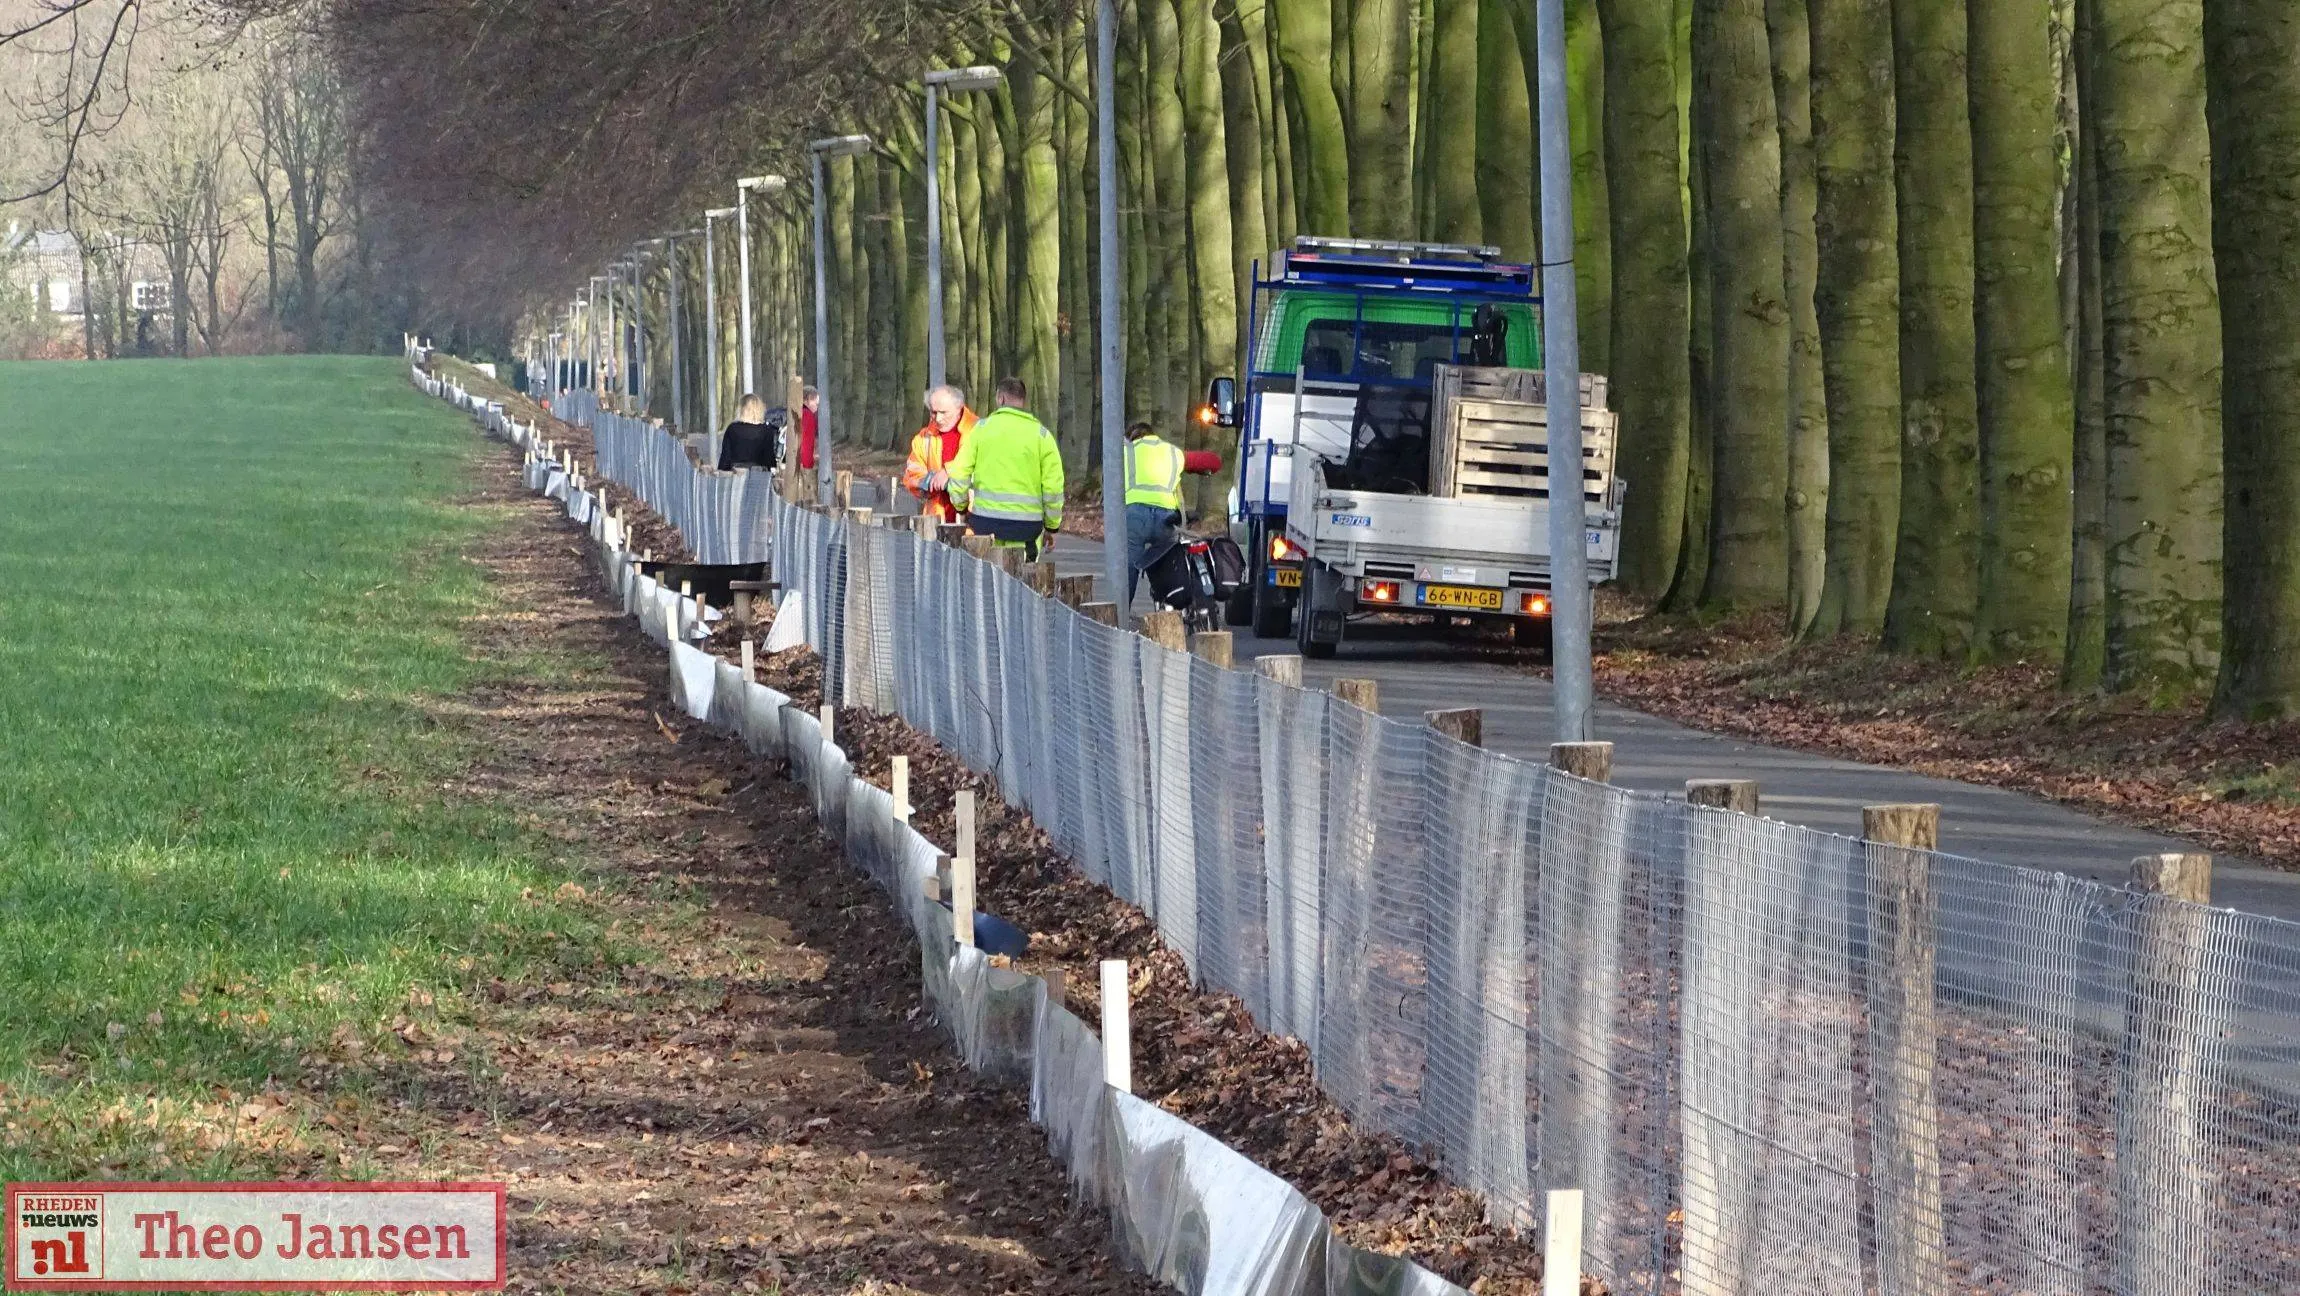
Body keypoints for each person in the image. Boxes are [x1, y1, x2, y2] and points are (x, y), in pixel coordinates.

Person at [946, 376, 1065, 559]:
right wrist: (1052, 526)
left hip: (985, 526)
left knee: (984, 582)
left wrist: (961, 508)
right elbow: (1053, 489)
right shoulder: (1042, 436)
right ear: (1023, 400)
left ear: (1000, 398)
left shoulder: (980, 430)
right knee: (1022, 583)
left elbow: (959, 473)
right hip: (1026, 530)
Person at [1121, 422, 1227, 601]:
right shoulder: (1172, 452)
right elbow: (1213, 462)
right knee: (1168, 562)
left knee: (1128, 568)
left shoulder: (1126, 453)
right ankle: (1171, 605)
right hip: (1166, 518)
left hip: (1135, 517)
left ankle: (1120, 619)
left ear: (1131, 438)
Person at [902, 385, 978, 522]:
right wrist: (928, 482)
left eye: (943, 412)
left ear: (959, 408)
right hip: (936, 523)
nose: (938, 419)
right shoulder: (924, 438)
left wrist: (949, 474)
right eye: (933, 412)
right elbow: (911, 474)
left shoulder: (979, 431)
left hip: (974, 521)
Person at [717, 393, 784, 471]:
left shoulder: (733, 429)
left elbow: (725, 457)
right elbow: (769, 458)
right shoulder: (766, 430)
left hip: (736, 474)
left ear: (741, 409)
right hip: (759, 474)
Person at [796, 385, 821, 472]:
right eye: (816, 404)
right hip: (802, 465)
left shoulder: (796, 412)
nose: (817, 408)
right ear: (809, 399)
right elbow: (806, 443)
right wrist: (808, 465)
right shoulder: (807, 415)